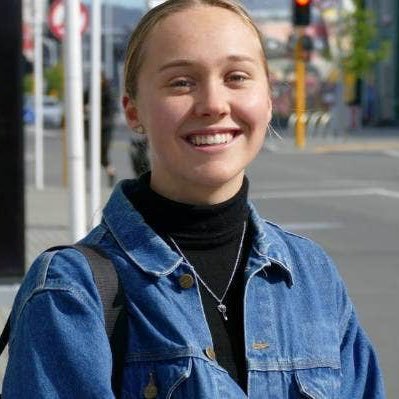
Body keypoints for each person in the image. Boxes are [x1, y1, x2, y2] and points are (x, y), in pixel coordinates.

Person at [3, 0, 385, 397]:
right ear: (133, 111)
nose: (214, 105)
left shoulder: (311, 275)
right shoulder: (71, 292)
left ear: (269, 100)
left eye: (237, 77)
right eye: (181, 82)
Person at [84, 73, 117, 187]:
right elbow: (82, 102)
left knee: (102, 154)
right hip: (92, 128)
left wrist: (98, 111)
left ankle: (111, 173)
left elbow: (111, 111)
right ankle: (101, 177)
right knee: (93, 154)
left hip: (105, 128)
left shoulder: (108, 92)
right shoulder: (90, 91)